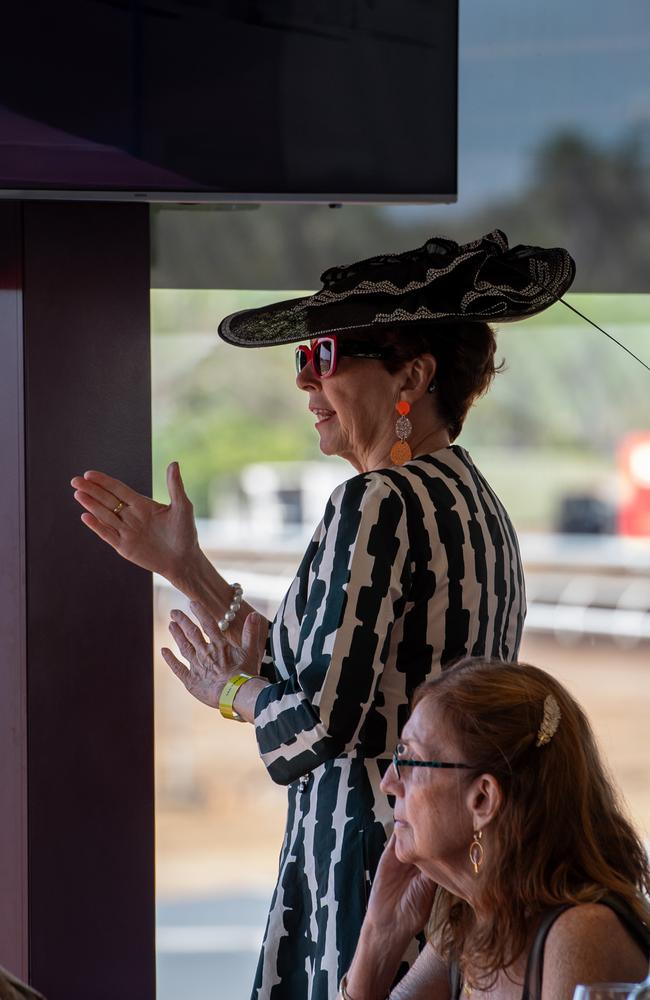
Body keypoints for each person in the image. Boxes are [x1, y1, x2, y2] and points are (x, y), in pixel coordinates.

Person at [70, 230, 575, 1000]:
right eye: (302, 362)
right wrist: (188, 570)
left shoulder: (375, 502)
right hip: (453, 863)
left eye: (325, 359)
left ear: (412, 374)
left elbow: (323, 727)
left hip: (369, 870)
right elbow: (347, 668)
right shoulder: (476, 502)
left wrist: (228, 694)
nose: (305, 385)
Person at [340, 657, 650, 1000]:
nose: (389, 782)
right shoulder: (472, 925)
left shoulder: (581, 934)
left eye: (410, 760)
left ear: (484, 799)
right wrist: (380, 934)